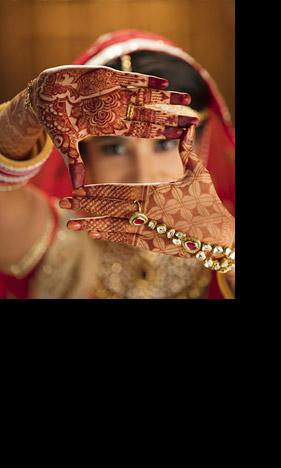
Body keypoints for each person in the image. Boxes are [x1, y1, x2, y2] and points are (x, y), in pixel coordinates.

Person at [0, 29, 235, 299]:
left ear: (201, 145)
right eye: (115, 149)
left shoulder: (226, 237)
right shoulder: (62, 245)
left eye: (165, 145)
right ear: (82, 156)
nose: (143, 175)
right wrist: (29, 107)